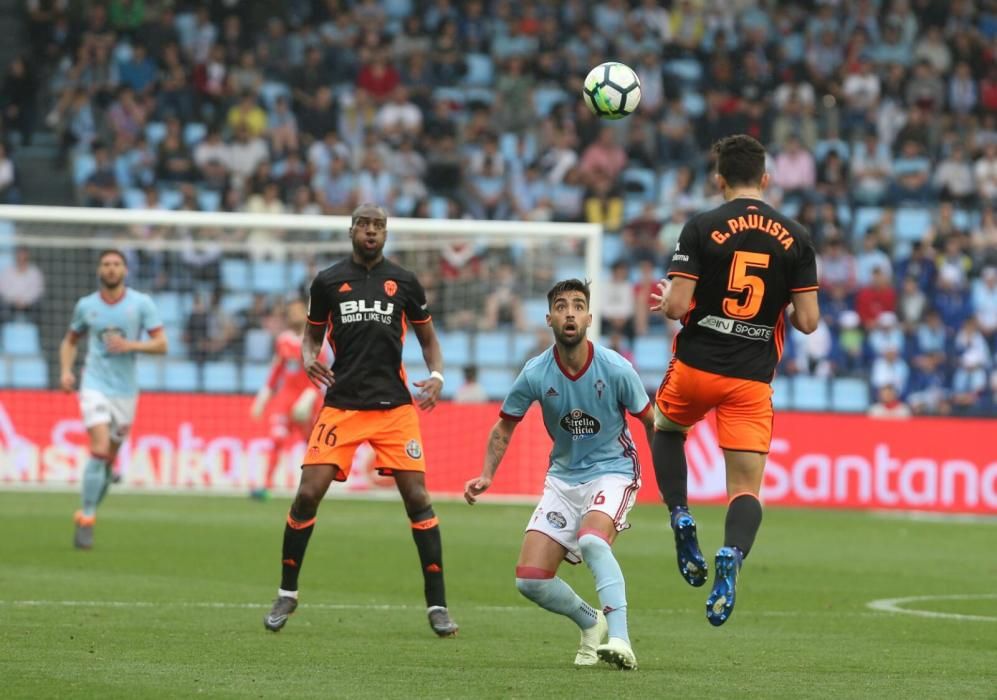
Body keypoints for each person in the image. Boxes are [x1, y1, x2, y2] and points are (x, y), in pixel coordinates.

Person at [263, 203, 458, 637]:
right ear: (352, 230)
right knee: (307, 493)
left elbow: (428, 339)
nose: (372, 232)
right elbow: (310, 338)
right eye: (365, 225)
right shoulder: (328, 281)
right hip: (342, 405)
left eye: (379, 226)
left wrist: (438, 376)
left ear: (386, 233)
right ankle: (287, 593)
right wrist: (309, 359)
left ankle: (438, 606)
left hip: (394, 408)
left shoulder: (405, 281)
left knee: (418, 498)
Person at [650, 135, 819, 626]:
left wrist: (666, 304)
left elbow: (678, 307)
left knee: (667, 428)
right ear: (765, 179)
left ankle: (680, 512)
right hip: (750, 380)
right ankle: (732, 554)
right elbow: (807, 322)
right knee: (745, 488)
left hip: (697, 367)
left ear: (719, 179)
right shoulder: (796, 236)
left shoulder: (701, 226)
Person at [464, 279, 654, 670]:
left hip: (613, 471)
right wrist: (487, 474)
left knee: (593, 542)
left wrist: (672, 482)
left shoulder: (616, 368)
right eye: (562, 306)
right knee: (530, 579)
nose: (570, 312)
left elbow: (652, 423)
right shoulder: (535, 372)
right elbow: (504, 426)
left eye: (578, 305)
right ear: (549, 317)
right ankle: (591, 621)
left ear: (588, 317)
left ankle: (621, 638)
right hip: (563, 479)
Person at [58, 249, 168, 549]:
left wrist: (129, 344)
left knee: (108, 459)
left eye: (116, 264)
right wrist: (66, 372)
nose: (111, 269)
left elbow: (161, 344)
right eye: (106, 264)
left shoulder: (140, 304)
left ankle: (87, 510)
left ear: (125, 270)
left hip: (125, 391)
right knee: (99, 447)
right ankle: (89, 518)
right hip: (93, 384)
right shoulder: (86, 306)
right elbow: (69, 342)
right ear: (99, 270)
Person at [249, 298, 329, 501]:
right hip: (286, 398)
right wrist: (264, 395)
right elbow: (277, 370)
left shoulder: (316, 339)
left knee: (312, 444)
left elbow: (321, 373)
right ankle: (265, 485)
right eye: (290, 312)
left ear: (305, 315)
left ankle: (316, 486)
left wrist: (309, 397)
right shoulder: (283, 340)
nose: (293, 315)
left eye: (297, 311)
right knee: (277, 438)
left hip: (308, 398)